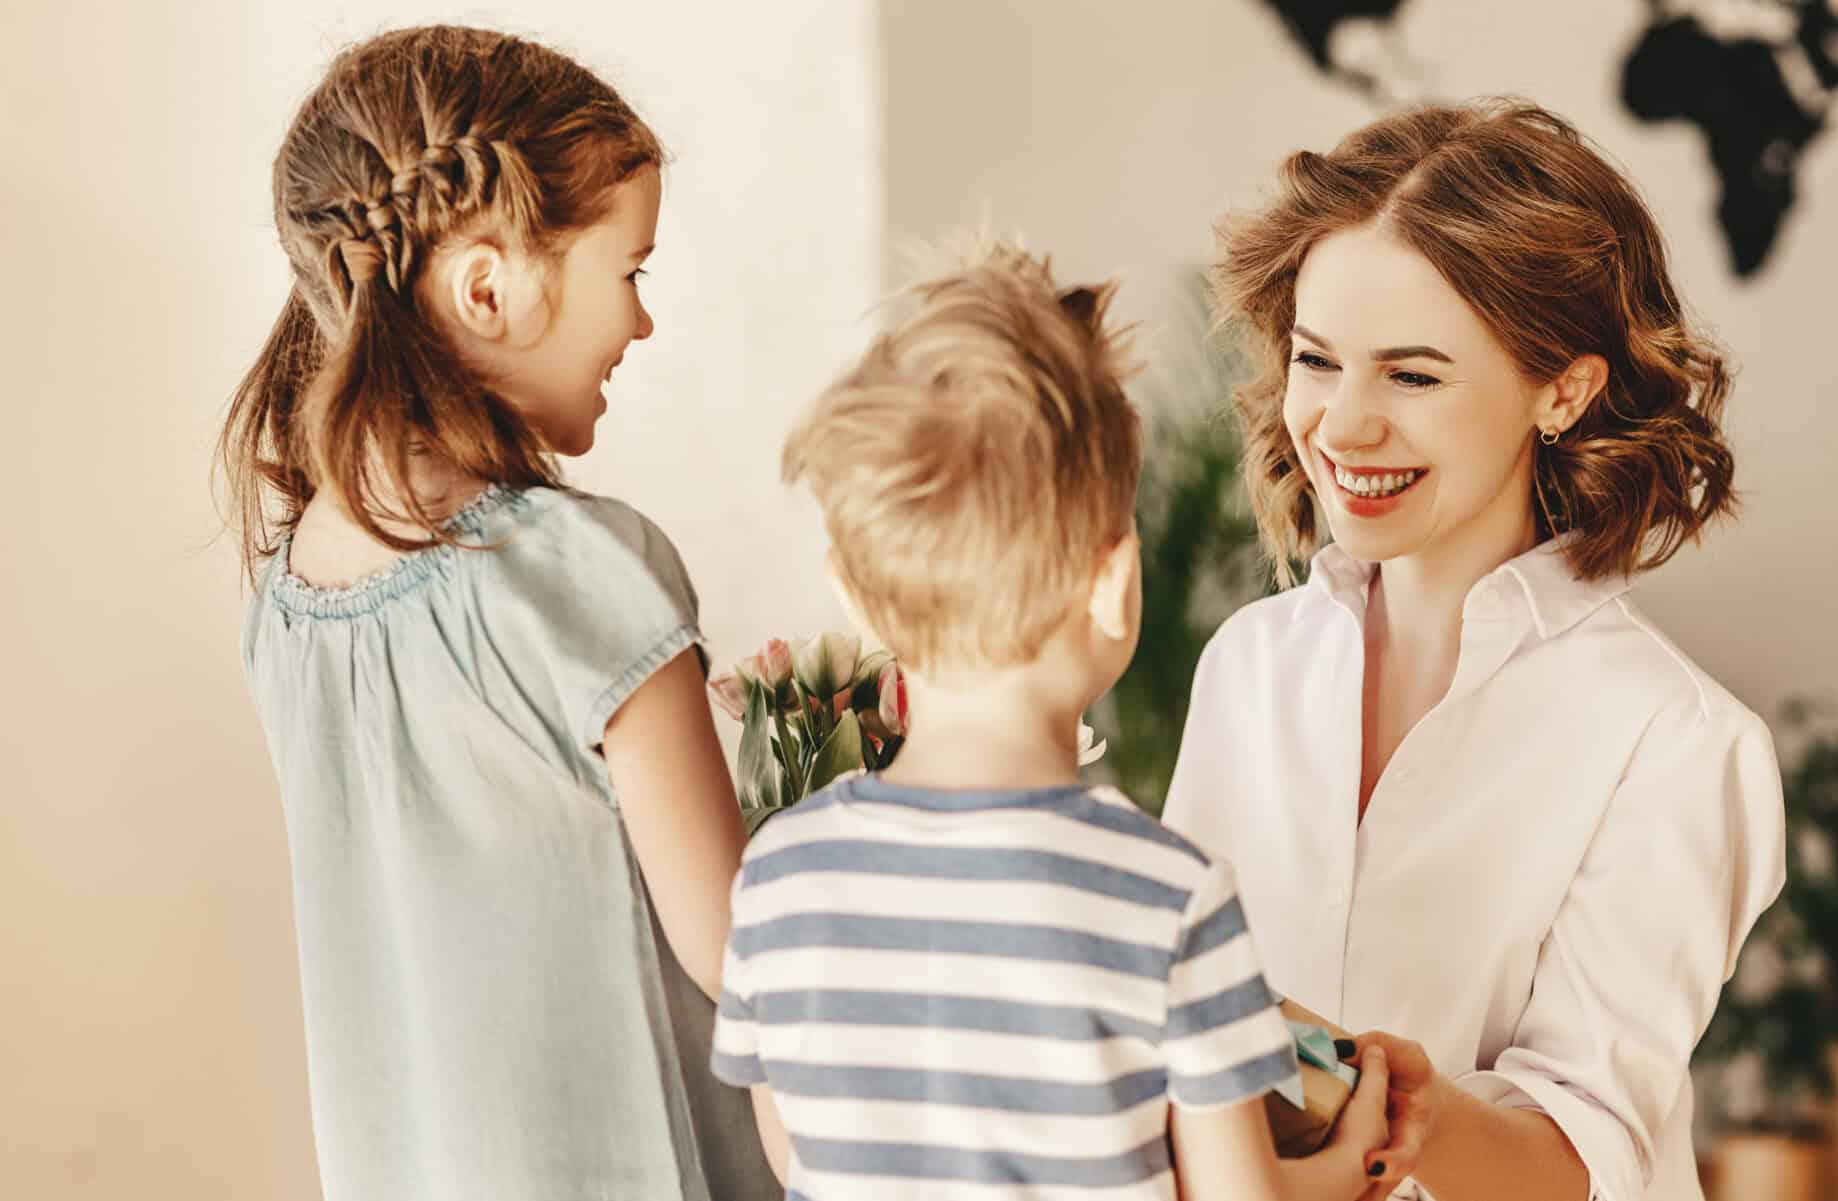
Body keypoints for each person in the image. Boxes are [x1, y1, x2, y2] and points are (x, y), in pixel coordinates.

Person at [1164, 100, 1787, 1201]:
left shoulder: (1674, 742)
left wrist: (1408, 1110)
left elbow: (1579, 1158)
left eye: (1411, 375)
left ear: (1561, 388)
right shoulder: (1248, 667)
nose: (1341, 427)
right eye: (1318, 360)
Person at [217, 26, 773, 1200]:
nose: (641, 324)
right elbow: (745, 959)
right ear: (487, 286)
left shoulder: (284, 610)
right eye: (631, 273)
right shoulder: (587, 572)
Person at [711, 243, 1392, 1199]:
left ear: (854, 596)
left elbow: (801, 1159)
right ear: (1114, 585)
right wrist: (1353, 1157)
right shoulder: (1168, 898)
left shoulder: (781, 876)